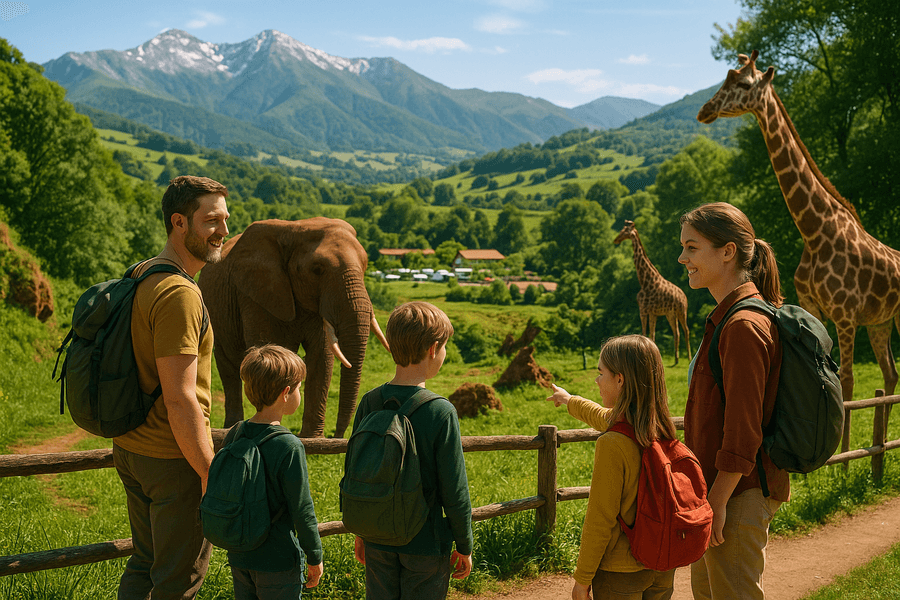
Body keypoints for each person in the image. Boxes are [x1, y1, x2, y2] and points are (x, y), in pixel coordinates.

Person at [112, 175, 229, 599]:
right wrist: (207, 470)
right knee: (179, 578)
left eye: (225, 220)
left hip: (132, 448)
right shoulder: (180, 293)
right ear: (179, 222)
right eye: (211, 221)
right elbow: (181, 398)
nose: (224, 231)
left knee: (145, 564)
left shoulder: (143, 273)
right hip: (173, 459)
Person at [678, 202, 788, 600]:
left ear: (727, 251)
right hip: (719, 494)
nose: (682, 257)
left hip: (736, 495)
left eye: (692, 247)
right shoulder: (728, 317)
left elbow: (744, 431)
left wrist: (718, 502)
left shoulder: (742, 325)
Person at [352, 301, 474, 600]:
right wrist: (464, 544)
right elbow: (454, 489)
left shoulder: (370, 402)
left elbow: (359, 472)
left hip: (377, 538)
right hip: (426, 543)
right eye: (444, 347)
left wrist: (361, 532)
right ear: (434, 349)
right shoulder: (439, 411)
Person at [547, 335, 678, 600]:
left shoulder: (613, 444)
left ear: (620, 379)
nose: (596, 380)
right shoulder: (660, 430)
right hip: (663, 564)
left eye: (601, 373)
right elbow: (602, 415)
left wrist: (582, 580)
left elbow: (600, 519)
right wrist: (569, 399)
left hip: (621, 573)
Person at [225, 343, 324, 599]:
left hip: (240, 555)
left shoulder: (236, 432)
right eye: (300, 387)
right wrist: (315, 556)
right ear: (286, 393)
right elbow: (302, 508)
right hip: (278, 559)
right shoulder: (287, 445)